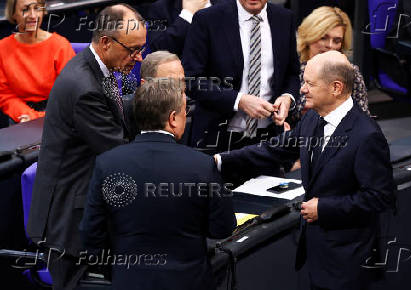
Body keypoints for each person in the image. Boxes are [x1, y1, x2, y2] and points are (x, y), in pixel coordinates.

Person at [216, 51, 396, 290]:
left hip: (347, 264)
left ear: (336, 88)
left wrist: (325, 208)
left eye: (310, 84)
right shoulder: (313, 119)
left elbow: (380, 198)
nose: (302, 89)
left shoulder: (367, 136)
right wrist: (219, 161)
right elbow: (274, 150)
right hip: (313, 255)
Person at [26, 4, 146, 290]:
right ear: (106, 42)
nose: (138, 57)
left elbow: (118, 116)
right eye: (132, 49)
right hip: (70, 225)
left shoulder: (96, 67)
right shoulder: (84, 88)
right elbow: (118, 154)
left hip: (82, 209)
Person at [79, 74, 236, 290]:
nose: (185, 116)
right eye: (184, 112)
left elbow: (91, 235)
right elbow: (223, 228)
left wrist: (119, 271)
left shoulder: (107, 164)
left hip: (129, 282)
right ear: (172, 118)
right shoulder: (202, 165)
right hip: (189, 282)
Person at [183, 0, 300, 153]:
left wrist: (287, 97)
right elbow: (191, 79)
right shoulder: (208, 18)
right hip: (216, 137)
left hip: (268, 137)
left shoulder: (284, 18)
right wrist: (238, 100)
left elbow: (291, 73)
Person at [0, 0, 75, 123]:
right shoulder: (2, 48)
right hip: (21, 117)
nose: (33, 15)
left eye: (37, 8)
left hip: (58, 115)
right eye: (25, 9)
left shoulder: (60, 46)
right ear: (13, 13)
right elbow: (4, 94)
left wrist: (41, 117)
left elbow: (70, 92)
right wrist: (27, 116)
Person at [295, 6, 369, 124]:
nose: (330, 46)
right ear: (310, 35)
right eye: (323, 37)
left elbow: (363, 118)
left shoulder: (350, 72)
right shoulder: (291, 67)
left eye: (337, 41)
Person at [144, 0, 227, 57]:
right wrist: (187, 14)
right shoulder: (162, 8)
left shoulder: (228, 5)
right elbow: (159, 50)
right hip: (179, 77)